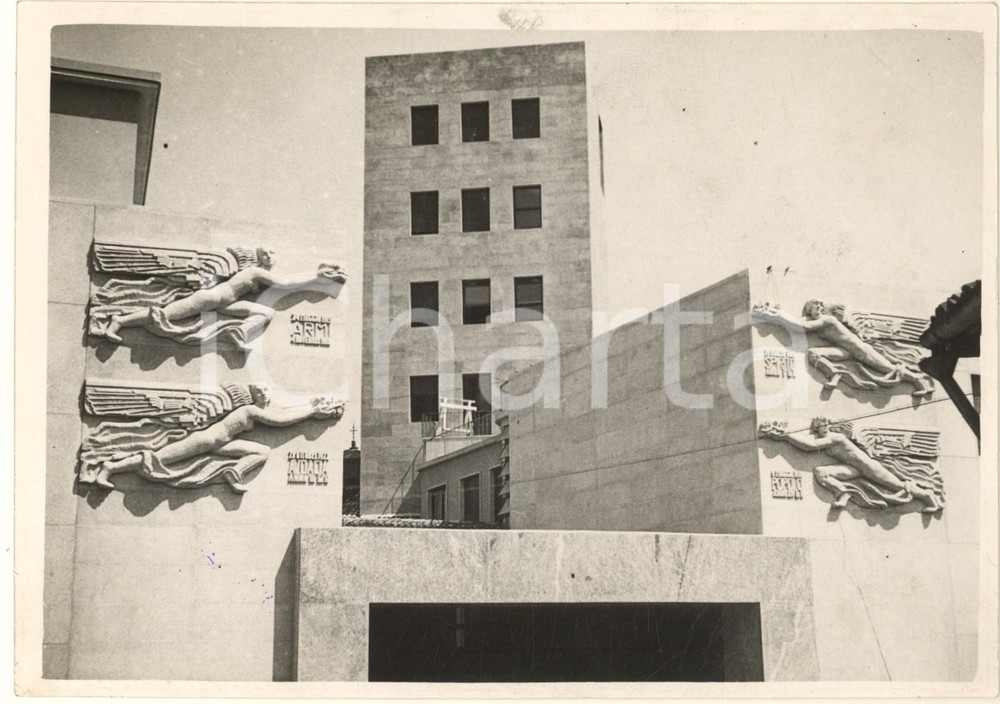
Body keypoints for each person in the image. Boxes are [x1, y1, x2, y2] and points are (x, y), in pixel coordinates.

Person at [79, 389, 345, 492]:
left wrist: (311, 407)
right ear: (253, 397)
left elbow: (283, 412)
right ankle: (109, 467)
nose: (267, 395)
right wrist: (312, 410)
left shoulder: (256, 409)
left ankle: (234, 473)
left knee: (262, 451)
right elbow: (279, 420)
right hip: (205, 440)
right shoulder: (249, 410)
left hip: (220, 444)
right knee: (159, 460)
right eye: (263, 392)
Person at [95, 255, 347, 349]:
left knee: (266, 313)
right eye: (267, 254)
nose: (271, 258)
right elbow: (284, 283)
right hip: (212, 298)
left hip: (225, 303)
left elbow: (287, 279)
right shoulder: (255, 272)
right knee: (166, 315)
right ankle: (120, 321)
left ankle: (238, 334)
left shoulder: (259, 274)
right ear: (259, 259)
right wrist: (317, 276)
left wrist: (318, 276)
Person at [759, 417, 943, 512]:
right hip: (853, 469)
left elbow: (810, 445)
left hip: (868, 467)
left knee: (897, 486)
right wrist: (782, 435)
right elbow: (806, 440)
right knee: (821, 471)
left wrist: (786, 436)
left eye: (824, 424)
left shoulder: (835, 437)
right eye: (819, 424)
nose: (823, 426)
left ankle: (928, 497)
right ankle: (843, 492)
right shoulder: (825, 437)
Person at [754, 300, 933, 396]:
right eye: (810, 310)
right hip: (845, 351)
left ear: (820, 308)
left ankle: (919, 380)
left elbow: (803, 326)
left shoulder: (828, 320)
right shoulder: (819, 322)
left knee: (888, 369)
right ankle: (835, 374)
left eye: (815, 307)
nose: (813, 311)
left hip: (860, 350)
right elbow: (799, 322)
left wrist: (776, 315)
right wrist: (776, 313)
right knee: (814, 353)